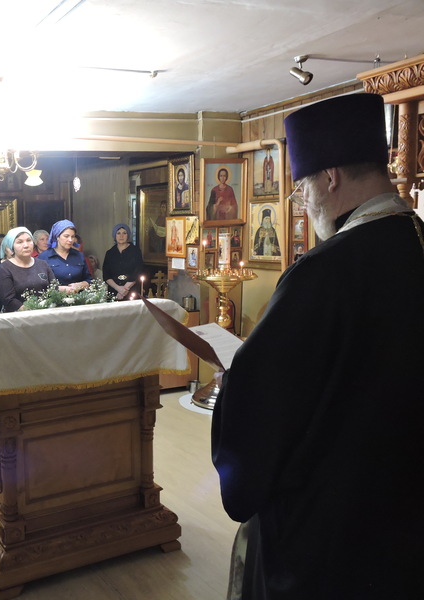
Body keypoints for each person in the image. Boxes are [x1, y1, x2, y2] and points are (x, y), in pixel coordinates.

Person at [211, 93, 424, 598]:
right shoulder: (416, 242)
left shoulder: (324, 271)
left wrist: (233, 381)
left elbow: (262, 406)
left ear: (330, 177)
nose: (303, 203)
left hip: (334, 527)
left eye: (302, 188)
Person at [0, 227, 56, 313]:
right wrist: (33, 311)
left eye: (28, 240)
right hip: (18, 317)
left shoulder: (43, 264)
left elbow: (54, 288)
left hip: (46, 314)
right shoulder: (4, 268)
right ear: (12, 246)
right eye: (20, 242)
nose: (26, 245)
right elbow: (8, 299)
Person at [37, 220, 92, 293]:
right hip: (54, 299)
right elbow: (39, 284)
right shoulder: (44, 257)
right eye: (66, 236)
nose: (70, 240)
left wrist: (80, 285)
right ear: (57, 237)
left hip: (78, 298)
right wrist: (59, 289)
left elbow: (89, 280)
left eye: (72, 236)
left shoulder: (79, 256)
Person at [103, 224, 144, 300]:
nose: (121, 236)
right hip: (114, 291)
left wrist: (124, 290)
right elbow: (106, 275)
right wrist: (118, 289)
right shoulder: (110, 253)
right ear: (115, 236)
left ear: (128, 235)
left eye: (124, 233)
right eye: (118, 233)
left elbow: (138, 272)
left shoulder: (135, 251)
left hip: (131, 291)